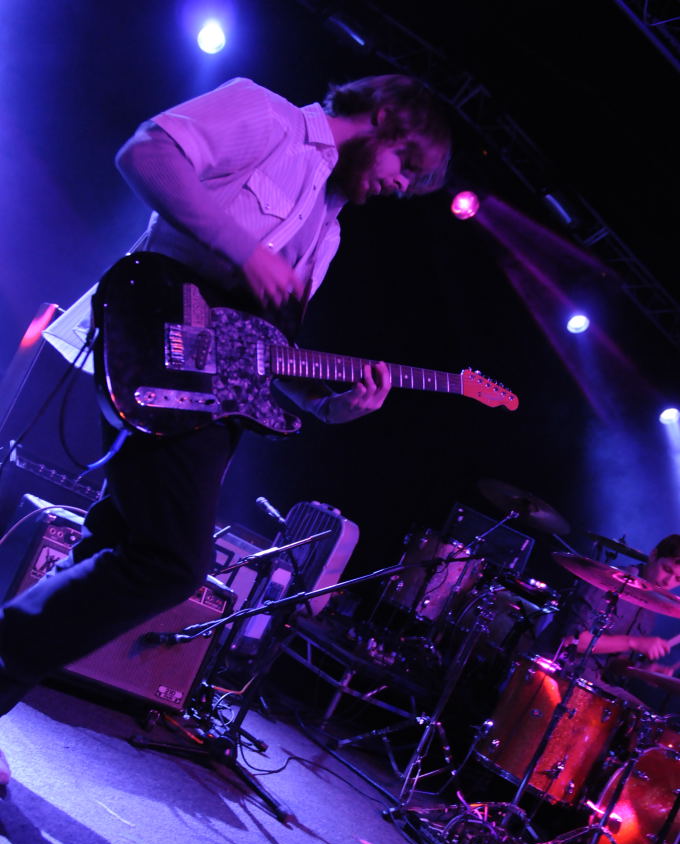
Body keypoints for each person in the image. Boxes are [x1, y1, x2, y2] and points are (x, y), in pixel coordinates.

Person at [0, 73, 453, 783]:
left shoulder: (330, 229)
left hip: (208, 399)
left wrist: (335, 407)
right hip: (155, 344)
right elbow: (146, 153)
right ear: (387, 116)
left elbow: (263, 350)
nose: (401, 186)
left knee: (117, 544)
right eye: (408, 164)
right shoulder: (268, 117)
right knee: (170, 563)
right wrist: (244, 246)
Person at [556, 534, 680, 709]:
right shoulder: (608, 581)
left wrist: (644, 672)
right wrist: (634, 642)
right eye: (667, 569)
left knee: (644, 717)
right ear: (653, 555)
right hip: (562, 669)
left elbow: (612, 663)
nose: (668, 581)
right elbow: (573, 642)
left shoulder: (653, 605)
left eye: (678, 579)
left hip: (596, 680)